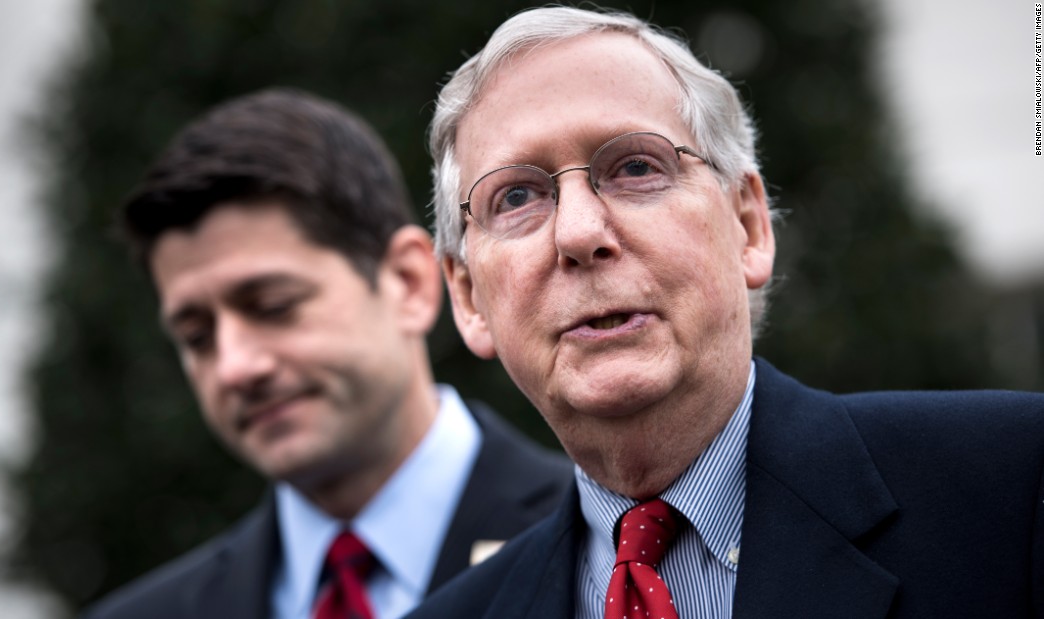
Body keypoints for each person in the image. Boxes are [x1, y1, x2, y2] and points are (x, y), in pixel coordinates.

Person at [405, 6, 1044, 619]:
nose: (578, 231)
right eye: (516, 196)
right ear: (466, 297)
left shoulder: (1011, 489)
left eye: (634, 166)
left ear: (748, 225)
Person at [81, 88, 572, 619]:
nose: (236, 367)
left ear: (408, 283)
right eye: (197, 337)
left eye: (273, 306)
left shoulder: (614, 550)